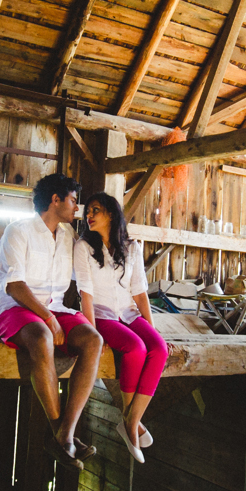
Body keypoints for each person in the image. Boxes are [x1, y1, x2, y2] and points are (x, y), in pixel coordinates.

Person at [0, 173, 103, 471]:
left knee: (94, 340)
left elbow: (90, 269)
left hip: (54, 308)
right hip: (17, 307)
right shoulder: (18, 231)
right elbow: (14, 286)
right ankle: (61, 434)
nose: (76, 207)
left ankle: (64, 434)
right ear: (55, 200)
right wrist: (48, 318)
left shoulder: (69, 236)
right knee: (41, 336)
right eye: (72, 200)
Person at [74, 191, 167, 464]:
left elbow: (139, 293)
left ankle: (130, 420)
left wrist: (152, 329)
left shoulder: (132, 248)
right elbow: (85, 295)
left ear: (111, 214)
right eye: (87, 212)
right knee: (135, 348)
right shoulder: (83, 247)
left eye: (95, 210)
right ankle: (131, 424)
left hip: (128, 312)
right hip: (101, 316)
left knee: (159, 350)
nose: (88, 215)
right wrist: (92, 332)